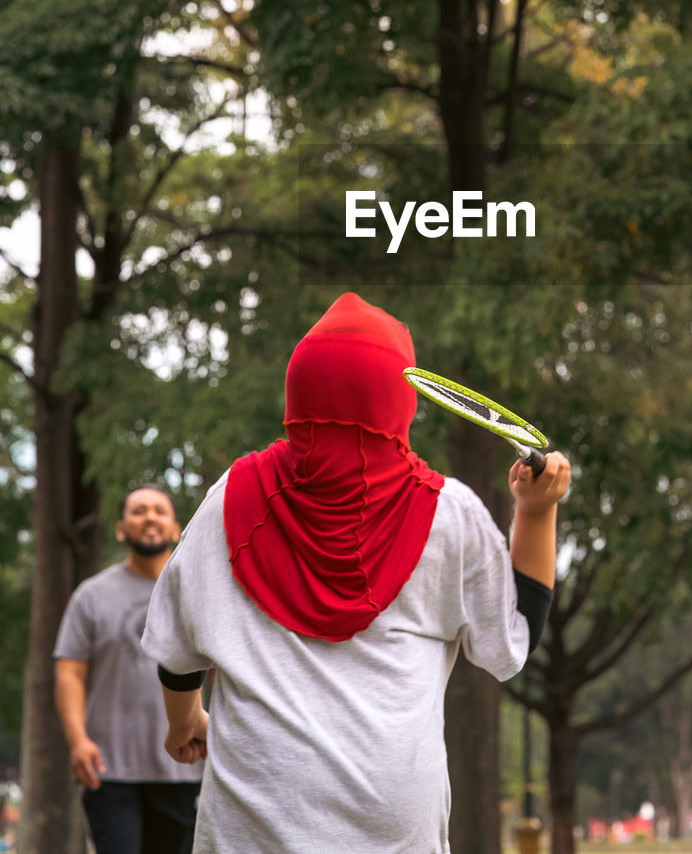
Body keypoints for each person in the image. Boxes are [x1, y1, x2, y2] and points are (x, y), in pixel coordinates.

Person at [142, 292, 571, 854]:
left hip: (251, 831)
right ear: (404, 397)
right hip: (392, 835)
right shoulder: (449, 514)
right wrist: (537, 512)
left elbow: (177, 655)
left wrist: (184, 722)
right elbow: (514, 637)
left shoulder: (231, 500)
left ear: (297, 394)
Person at [54, 486, 204, 854]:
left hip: (186, 766)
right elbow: (70, 673)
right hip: (110, 769)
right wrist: (77, 741)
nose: (149, 516)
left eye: (158, 510)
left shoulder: (197, 593)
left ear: (175, 528)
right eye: (138, 511)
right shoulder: (91, 596)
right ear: (121, 529)